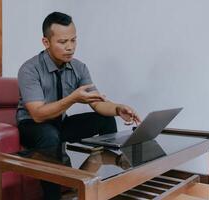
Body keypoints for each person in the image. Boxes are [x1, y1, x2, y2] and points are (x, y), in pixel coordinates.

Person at [16, 11, 141, 200]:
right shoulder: (29, 69)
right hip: (32, 125)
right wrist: (73, 99)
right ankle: (53, 197)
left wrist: (117, 108)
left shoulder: (79, 67)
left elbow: (98, 105)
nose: (70, 47)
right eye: (63, 42)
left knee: (105, 120)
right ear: (46, 42)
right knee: (50, 135)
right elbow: (38, 114)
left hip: (60, 122)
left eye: (73, 40)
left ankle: (98, 183)